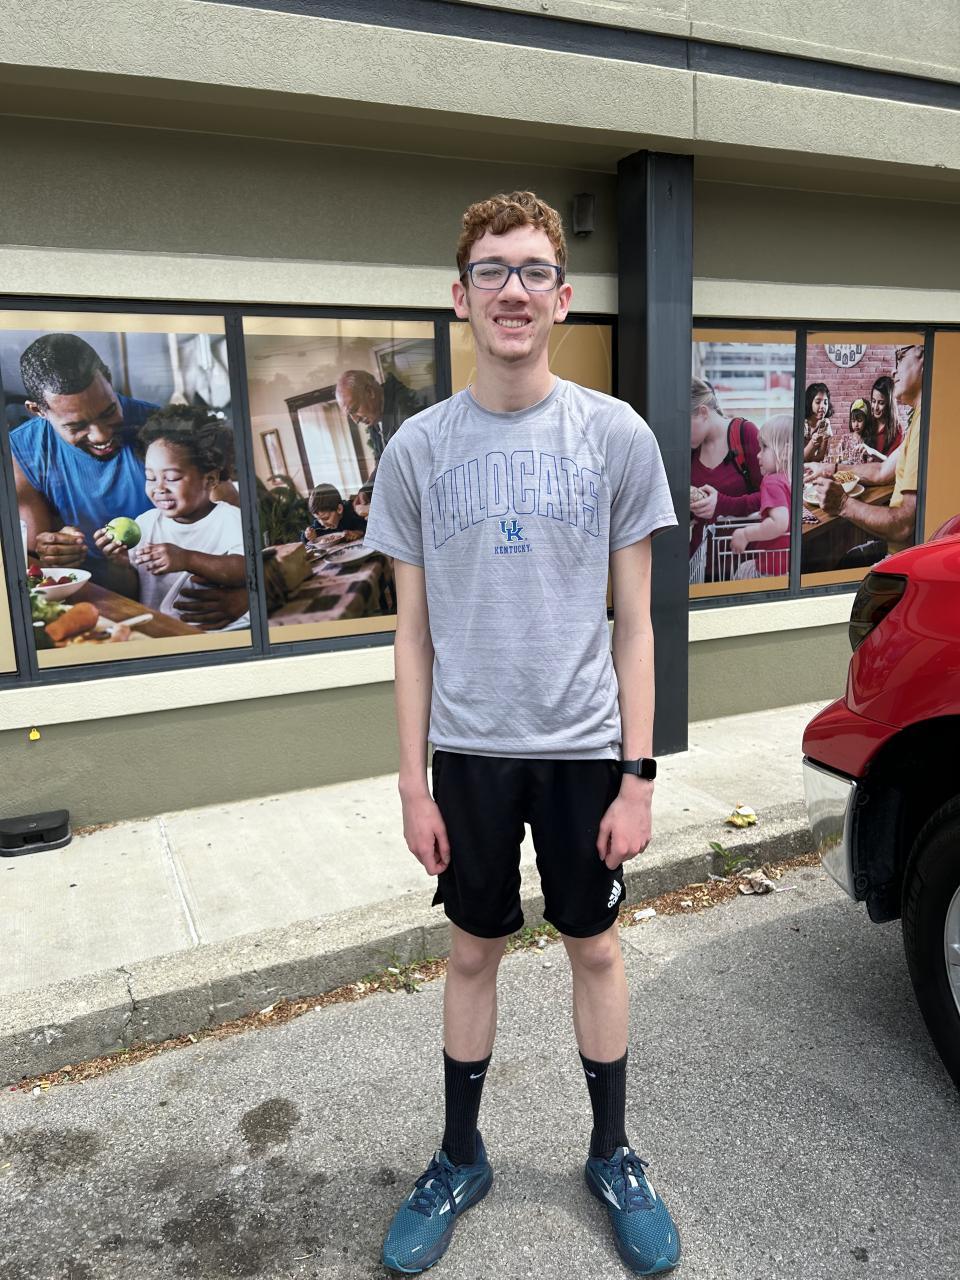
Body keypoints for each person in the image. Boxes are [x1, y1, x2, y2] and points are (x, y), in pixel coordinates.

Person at [364, 191, 680, 1276]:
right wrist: (412, 783)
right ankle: (461, 1156)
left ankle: (613, 1154)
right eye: (492, 270)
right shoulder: (417, 450)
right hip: (470, 752)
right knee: (471, 951)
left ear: (563, 295)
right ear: (460, 297)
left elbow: (636, 623)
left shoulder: (615, 436)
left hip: (586, 749)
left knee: (596, 945)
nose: (513, 288)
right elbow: (411, 633)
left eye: (533, 269)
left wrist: (639, 774)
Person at [12, 333, 157, 578]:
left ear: (108, 379)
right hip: (85, 589)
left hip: (166, 582)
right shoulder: (20, 451)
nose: (101, 435)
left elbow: (221, 521)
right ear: (37, 411)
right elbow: (33, 560)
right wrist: (52, 551)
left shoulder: (164, 429)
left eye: (109, 411)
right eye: (76, 426)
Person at [93, 407, 249, 629]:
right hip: (158, 629)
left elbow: (246, 569)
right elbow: (134, 590)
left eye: (172, 478)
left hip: (210, 634)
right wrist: (119, 565)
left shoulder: (230, 519)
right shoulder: (146, 523)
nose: (159, 488)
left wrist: (187, 559)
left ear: (210, 479)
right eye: (150, 477)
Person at [808, 344, 924, 565]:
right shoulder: (918, 421)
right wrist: (828, 468)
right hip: (896, 547)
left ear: (923, 357)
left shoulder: (925, 425)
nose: (894, 371)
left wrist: (842, 504)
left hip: (901, 558)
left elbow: (903, 526)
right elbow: (881, 471)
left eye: (901, 356)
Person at [689, 377, 762, 576]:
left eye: (684, 424)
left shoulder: (745, 433)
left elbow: (772, 497)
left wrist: (722, 504)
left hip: (742, 565)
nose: (680, 432)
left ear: (703, 412)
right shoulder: (691, 449)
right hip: (700, 566)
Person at [730, 414, 792, 577]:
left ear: (784, 452)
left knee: (741, 573)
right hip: (786, 568)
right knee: (744, 568)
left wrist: (745, 534)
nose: (758, 454)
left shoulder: (772, 482)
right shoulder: (788, 478)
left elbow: (780, 522)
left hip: (769, 571)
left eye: (764, 447)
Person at [335, 368, 424, 464]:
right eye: (350, 415)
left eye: (355, 409)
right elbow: (381, 464)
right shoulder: (375, 419)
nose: (356, 420)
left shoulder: (407, 414)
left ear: (370, 392)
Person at [301, 482, 367, 542]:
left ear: (339, 509)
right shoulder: (320, 524)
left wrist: (360, 532)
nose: (322, 524)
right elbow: (305, 538)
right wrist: (308, 535)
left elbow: (368, 525)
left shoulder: (353, 511)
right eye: (318, 519)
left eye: (326, 518)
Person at [866, 374, 903, 456]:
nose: (875, 407)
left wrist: (873, 453)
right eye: (873, 401)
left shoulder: (897, 431)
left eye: (881, 403)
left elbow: (893, 462)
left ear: (890, 405)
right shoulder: (868, 422)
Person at [831, 398, 873, 467]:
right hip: (845, 471)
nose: (856, 424)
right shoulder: (845, 439)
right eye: (853, 421)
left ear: (866, 420)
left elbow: (870, 464)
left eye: (859, 420)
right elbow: (837, 457)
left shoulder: (868, 441)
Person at [802, 382, 833, 463]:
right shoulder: (801, 423)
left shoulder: (825, 423)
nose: (823, 406)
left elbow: (820, 457)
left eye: (825, 402)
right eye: (818, 402)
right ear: (809, 403)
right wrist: (812, 443)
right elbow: (801, 458)